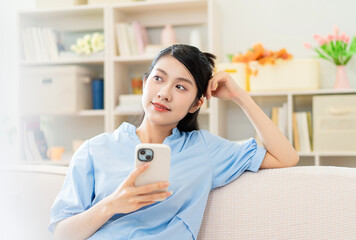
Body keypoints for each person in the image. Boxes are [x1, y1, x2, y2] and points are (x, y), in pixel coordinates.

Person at [49, 44, 299, 240]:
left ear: (196, 104)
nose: (164, 93)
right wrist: (112, 204)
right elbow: (61, 235)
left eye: (181, 87)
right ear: (145, 83)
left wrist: (239, 96)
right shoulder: (95, 149)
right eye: (158, 78)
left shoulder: (204, 149)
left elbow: (286, 157)